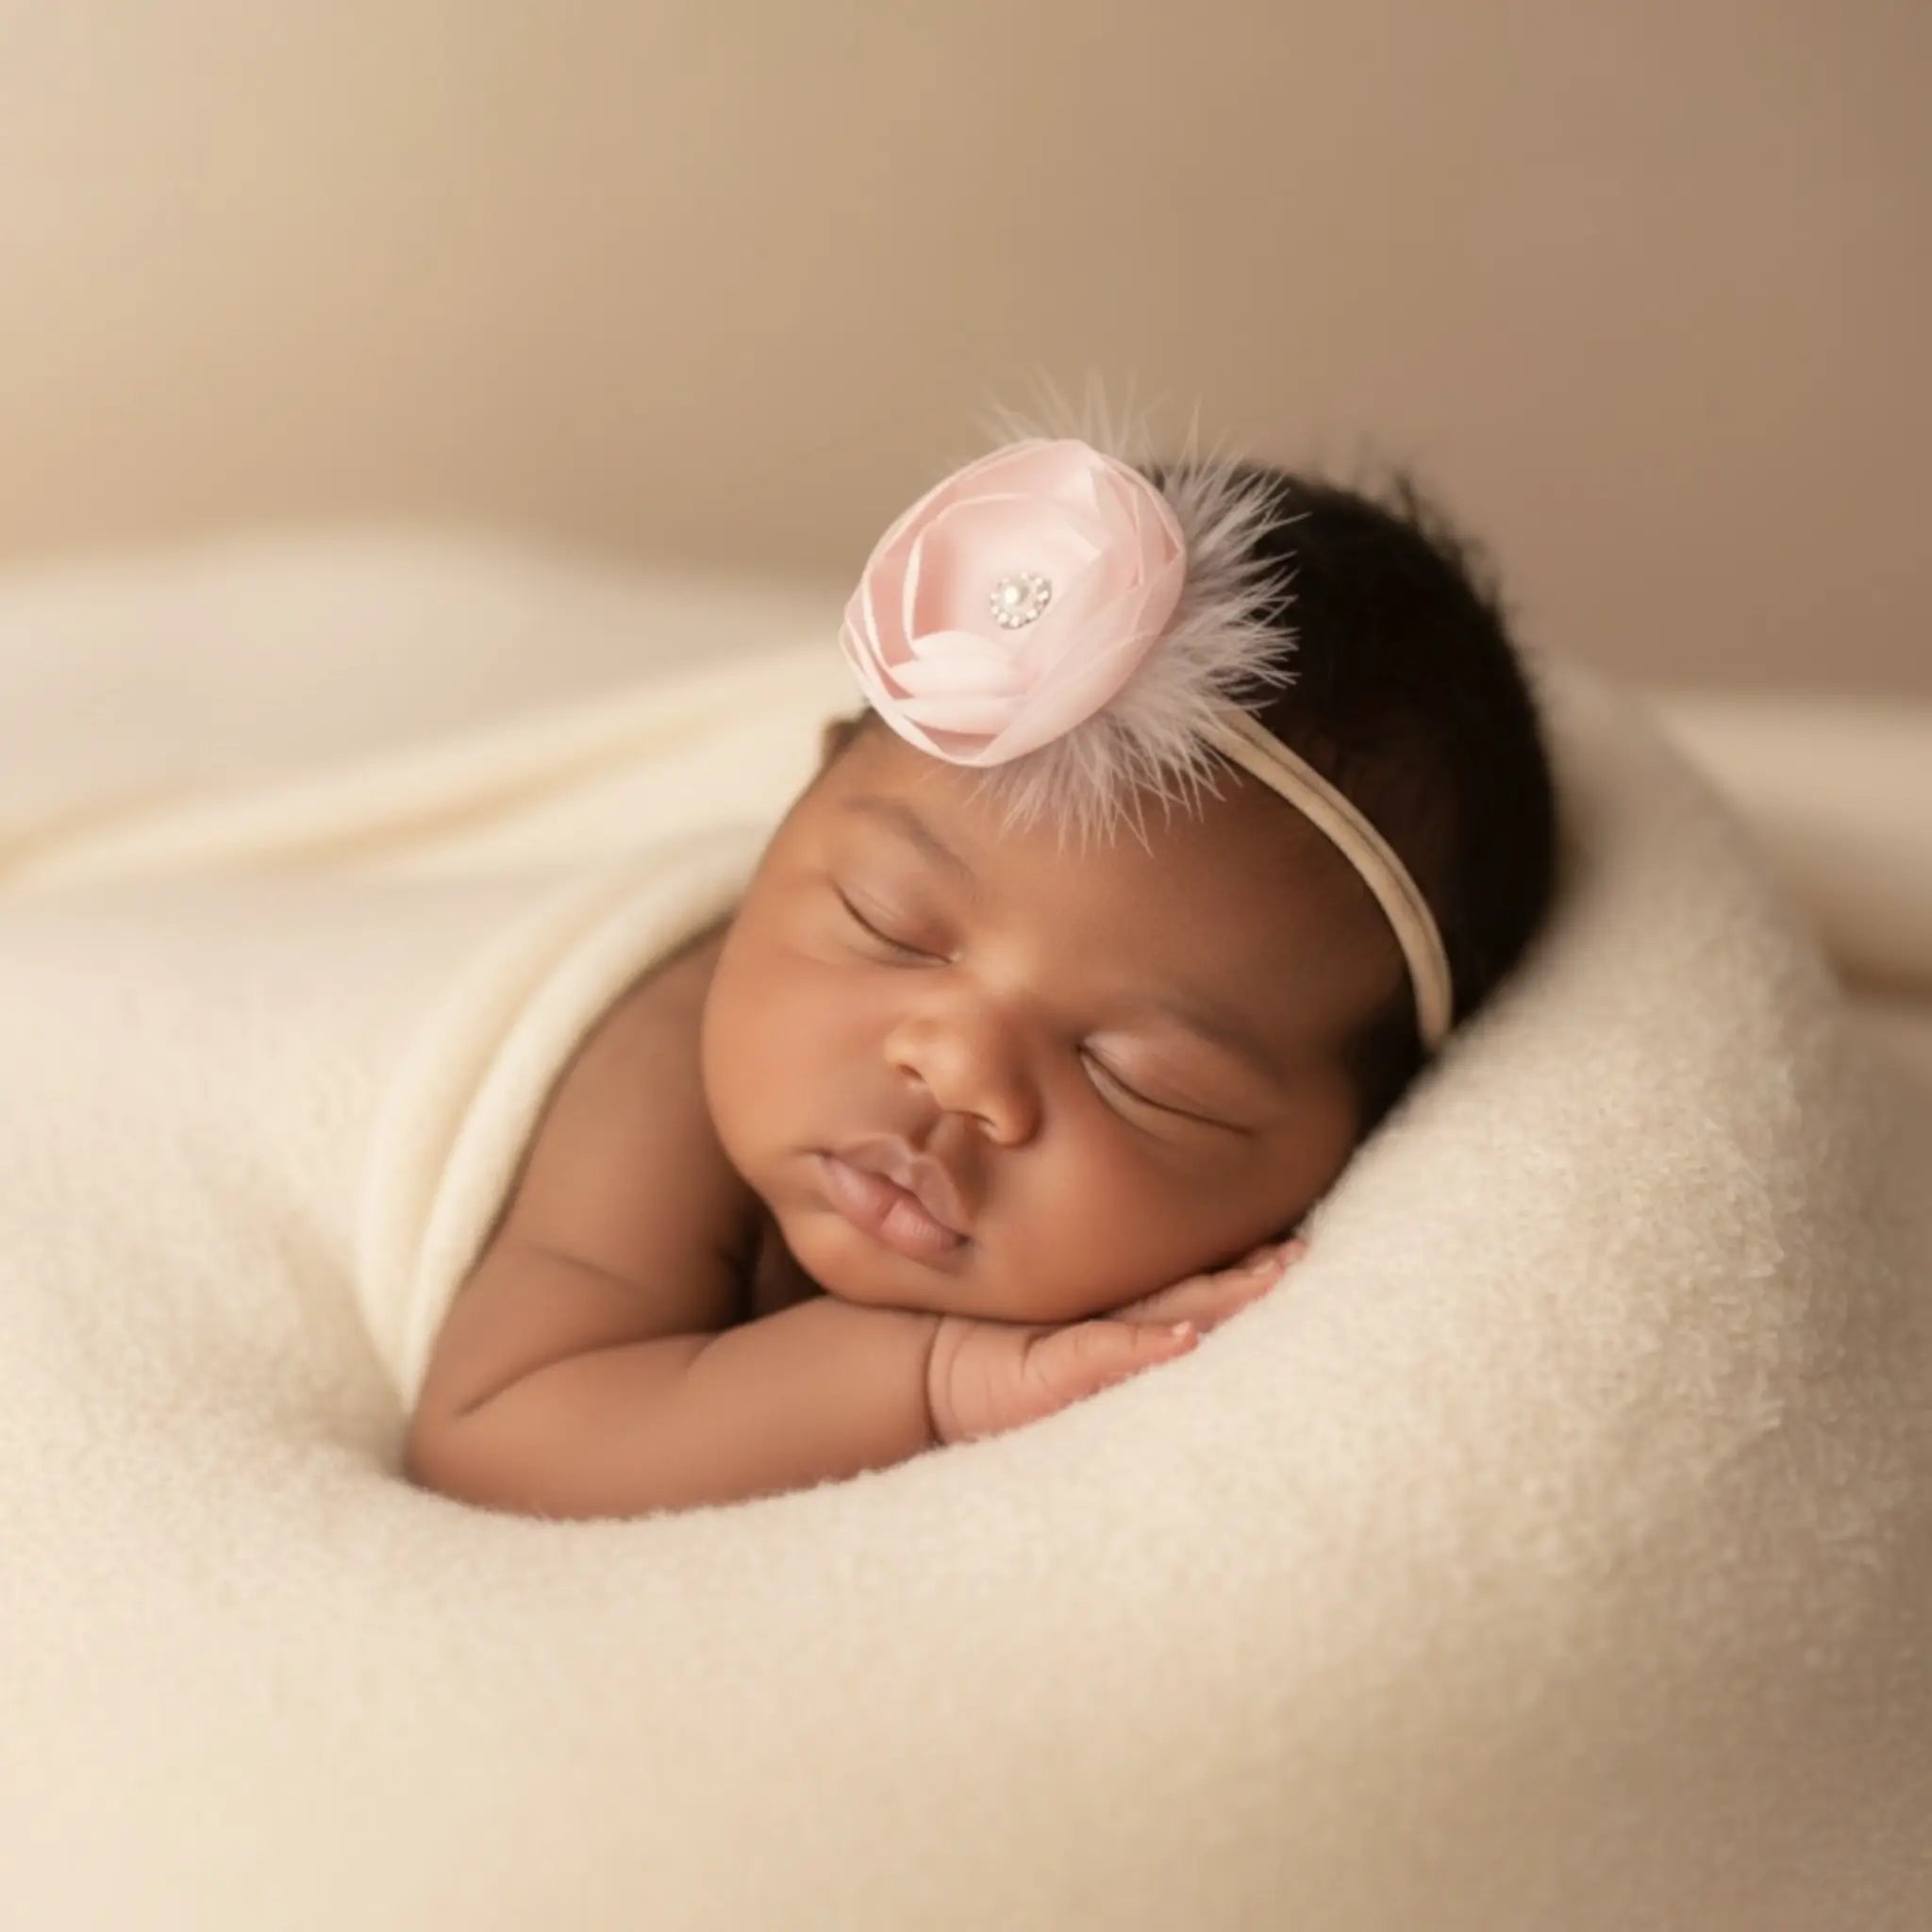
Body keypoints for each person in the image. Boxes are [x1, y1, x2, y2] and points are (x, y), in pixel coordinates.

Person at [403, 430, 1557, 1518]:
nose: (955, 1065)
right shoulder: (658, 1057)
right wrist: (938, 1379)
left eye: (1140, 1078)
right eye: (888, 923)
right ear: (800, 807)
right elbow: (495, 1438)